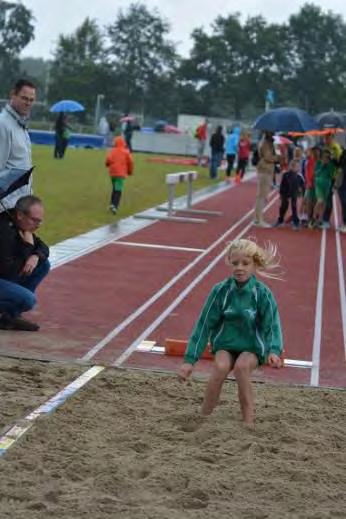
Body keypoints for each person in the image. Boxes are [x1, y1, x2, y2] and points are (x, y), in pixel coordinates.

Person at [178, 238, 283, 427]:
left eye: (245, 263)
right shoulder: (220, 291)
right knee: (220, 367)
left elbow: (272, 324)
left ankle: (248, 421)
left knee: (242, 367)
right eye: (235, 263)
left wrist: (274, 350)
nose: (239, 268)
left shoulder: (262, 293)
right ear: (229, 263)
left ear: (255, 265)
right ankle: (204, 416)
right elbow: (204, 325)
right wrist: (189, 360)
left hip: (251, 347)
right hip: (225, 344)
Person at [0, 195, 50, 331]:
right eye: (34, 220)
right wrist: (27, 247)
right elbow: (8, 271)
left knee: (43, 264)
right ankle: (9, 313)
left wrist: (35, 255)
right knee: (28, 300)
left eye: (40, 221)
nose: (38, 225)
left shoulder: (18, 224)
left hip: (5, 275)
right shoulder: (4, 231)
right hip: (4, 273)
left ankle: (10, 317)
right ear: (20, 215)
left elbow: (43, 247)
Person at [0, 78, 36, 211]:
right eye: (24, 98)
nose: (28, 103)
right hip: (7, 208)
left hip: (22, 205)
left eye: (31, 100)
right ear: (12, 95)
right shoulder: (3, 125)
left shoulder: (20, 124)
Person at [254, 131, 280, 227]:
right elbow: (268, 157)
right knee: (262, 195)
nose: (274, 133)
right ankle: (258, 219)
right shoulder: (265, 143)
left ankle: (258, 218)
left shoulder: (270, 143)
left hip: (267, 169)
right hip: (265, 169)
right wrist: (277, 157)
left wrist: (277, 149)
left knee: (263, 195)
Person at [105, 136, 134, 214]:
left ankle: (111, 204)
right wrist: (130, 171)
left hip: (112, 173)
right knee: (118, 190)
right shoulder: (126, 152)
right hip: (120, 174)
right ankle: (115, 206)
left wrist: (107, 164)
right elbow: (130, 162)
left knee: (114, 188)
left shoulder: (112, 151)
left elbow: (108, 160)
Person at [273, 159, 304, 230]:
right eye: (292, 165)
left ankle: (296, 222)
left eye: (295, 166)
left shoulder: (299, 176)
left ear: (298, 167)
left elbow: (302, 186)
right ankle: (280, 219)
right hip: (285, 192)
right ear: (290, 166)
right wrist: (281, 194)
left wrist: (300, 192)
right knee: (284, 205)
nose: (293, 167)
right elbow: (282, 185)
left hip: (294, 193)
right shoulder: (285, 174)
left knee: (294, 206)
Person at [311, 149, 335, 228]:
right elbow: (315, 173)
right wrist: (322, 166)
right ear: (322, 156)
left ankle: (320, 219)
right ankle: (314, 218)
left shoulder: (331, 164)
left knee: (324, 203)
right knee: (320, 201)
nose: (325, 158)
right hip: (319, 184)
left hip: (327, 185)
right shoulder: (318, 162)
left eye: (327, 157)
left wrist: (328, 165)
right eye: (324, 156)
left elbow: (332, 176)